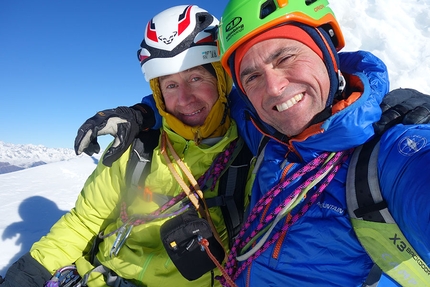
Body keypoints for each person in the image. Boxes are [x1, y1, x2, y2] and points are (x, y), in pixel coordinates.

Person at [71, 0, 430, 286]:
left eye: (287, 56)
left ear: (325, 50)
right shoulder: (261, 125)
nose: (273, 88)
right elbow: (188, 102)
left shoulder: (388, 158)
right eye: (253, 75)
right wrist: (141, 114)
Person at [0, 5, 256, 287]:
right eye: (170, 86)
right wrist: (30, 272)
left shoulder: (253, 154)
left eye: (196, 78)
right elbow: (86, 221)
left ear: (221, 79)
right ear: (157, 94)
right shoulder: (139, 147)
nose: (184, 99)